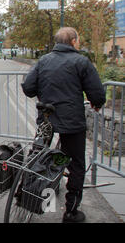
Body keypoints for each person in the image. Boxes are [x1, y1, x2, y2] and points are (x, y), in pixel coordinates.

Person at [21, 27, 106, 223]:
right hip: (71, 121)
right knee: (76, 165)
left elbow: (28, 88)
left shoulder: (44, 60)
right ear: (74, 41)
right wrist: (97, 103)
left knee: (37, 155)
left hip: (47, 116)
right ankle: (71, 212)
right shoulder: (81, 61)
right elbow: (97, 94)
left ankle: (24, 194)